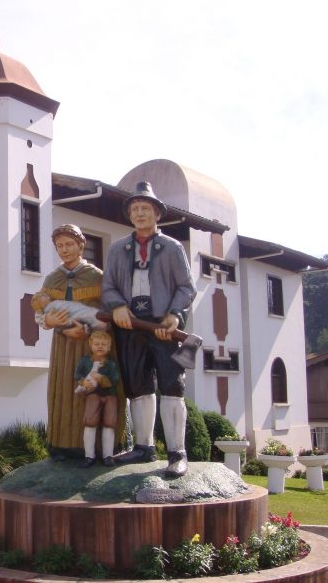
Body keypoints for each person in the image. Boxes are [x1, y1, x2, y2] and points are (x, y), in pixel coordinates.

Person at [101, 181, 196, 477]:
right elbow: (108, 287)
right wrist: (117, 305)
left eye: (145, 209)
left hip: (164, 328)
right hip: (130, 326)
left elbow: (186, 287)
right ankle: (143, 447)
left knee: (171, 386)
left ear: (157, 214)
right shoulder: (118, 249)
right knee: (138, 387)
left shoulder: (172, 248)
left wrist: (175, 316)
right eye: (135, 209)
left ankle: (177, 452)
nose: (140, 214)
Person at [32, 224, 114, 460]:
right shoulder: (52, 278)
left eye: (69, 244)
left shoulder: (96, 276)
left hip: (92, 346)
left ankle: (96, 449)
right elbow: (41, 310)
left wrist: (86, 329)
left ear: (81, 245)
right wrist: (47, 319)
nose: (64, 250)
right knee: (63, 389)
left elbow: (108, 313)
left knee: (90, 391)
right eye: (60, 246)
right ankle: (62, 445)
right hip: (62, 346)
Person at [74, 330, 122, 467]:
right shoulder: (85, 361)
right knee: (90, 423)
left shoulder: (111, 364)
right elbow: (77, 375)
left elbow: (115, 379)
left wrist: (102, 378)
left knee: (109, 424)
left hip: (109, 396)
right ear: (91, 345)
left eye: (103, 344)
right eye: (96, 344)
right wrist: (83, 382)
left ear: (109, 346)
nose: (100, 347)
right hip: (93, 396)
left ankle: (108, 456)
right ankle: (89, 456)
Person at [32, 291, 109, 334]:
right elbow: (39, 316)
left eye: (45, 296)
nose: (47, 297)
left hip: (77, 312)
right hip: (69, 323)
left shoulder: (94, 273)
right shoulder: (52, 278)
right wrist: (47, 320)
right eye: (44, 297)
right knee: (87, 315)